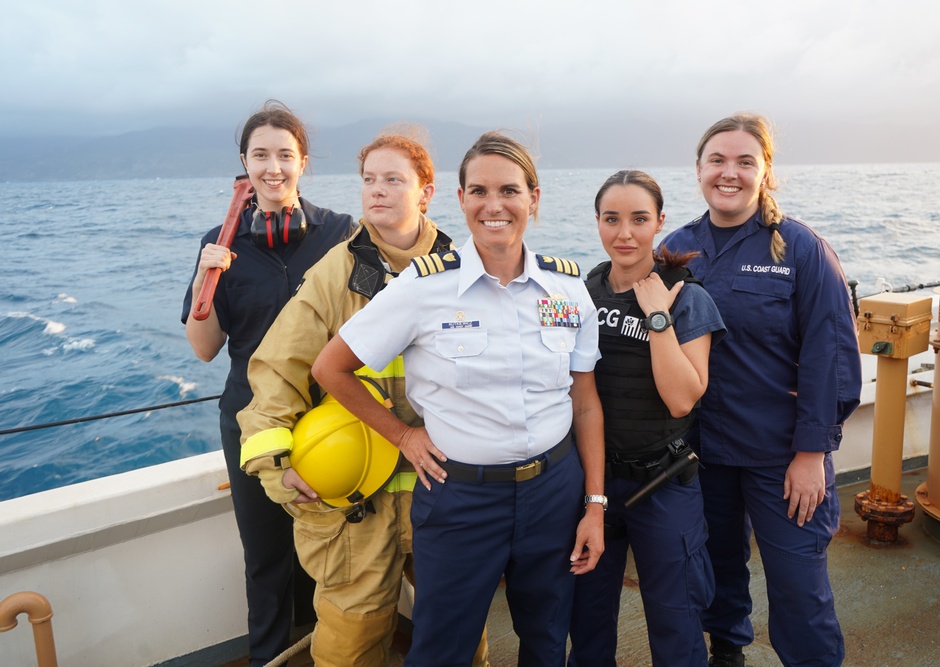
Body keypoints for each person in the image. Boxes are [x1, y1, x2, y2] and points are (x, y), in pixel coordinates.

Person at [311, 131, 607, 667]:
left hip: (553, 493)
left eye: (510, 190)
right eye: (479, 191)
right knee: (441, 649)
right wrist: (401, 434)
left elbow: (584, 402)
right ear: (462, 199)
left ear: (533, 198)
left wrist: (594, 503)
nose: (494, 206)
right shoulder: (423, 287)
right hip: (460, 500)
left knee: (547, 638)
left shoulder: (567, 290)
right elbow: (331, 368)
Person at [236, 129, 489, 667]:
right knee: (351, 639)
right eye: (369, 180)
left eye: (394, 179)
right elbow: (277, 370)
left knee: (460, 631)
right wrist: (275, 466)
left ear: (426, 191)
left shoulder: (469, 271)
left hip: (444, 491)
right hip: (356, 506)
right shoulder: (334, 274)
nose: (377, 190)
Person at [662, 113, 862, 667]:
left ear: (765, 172)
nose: (730, 173)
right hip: (703, 455)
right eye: (717, 161)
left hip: (781, 455)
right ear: (698, 170)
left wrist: (811, 454)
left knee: (799, 587)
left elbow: (833, 358)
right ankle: (729, 652)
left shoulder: (800, 250)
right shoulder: (676, 250)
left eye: (745, 162)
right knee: (716, 571)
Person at [182, 100, 355, 667]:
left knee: (336, 548)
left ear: (303, 162)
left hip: (330, 417)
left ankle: (333, 650)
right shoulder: (220, 242)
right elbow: (204, 349)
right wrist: (210, 275)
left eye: (285, 154)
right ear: (244, 164)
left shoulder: (340, 234)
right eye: (261, 155)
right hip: (251, 421)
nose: (273, 167)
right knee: (266, 557)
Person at [568, 170, 725, 666]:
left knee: (676, 623)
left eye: (639, 219)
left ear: (660, 222)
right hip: (592, 483)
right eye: (611, 219)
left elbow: (682, 399)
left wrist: (657, 316)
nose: (625, 233)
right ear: (597, 222)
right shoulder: (581, 293)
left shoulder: (686, 298)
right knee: (587, 620)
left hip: (662, 483)